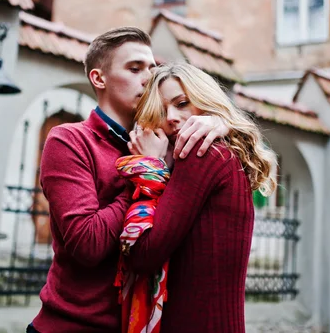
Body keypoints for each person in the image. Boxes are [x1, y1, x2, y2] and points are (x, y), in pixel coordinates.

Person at [28, 28, 229, 333]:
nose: (148, 78)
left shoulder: (167, 140)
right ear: (99, 79)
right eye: (134, 69)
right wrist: (147, 171)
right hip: (71, 326)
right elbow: (87, 244)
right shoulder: (69, 140)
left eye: (151, 68)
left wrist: (219, 120)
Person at [118, 62, 277, 333]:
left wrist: (150, 167)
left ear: (206, 101)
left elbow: (143, 254)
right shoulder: (223, 154)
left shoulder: (203, 154)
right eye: (161, 110)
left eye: (182, 103)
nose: (170, 117)